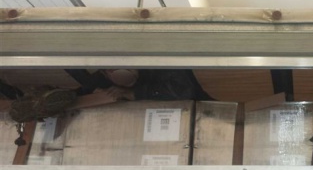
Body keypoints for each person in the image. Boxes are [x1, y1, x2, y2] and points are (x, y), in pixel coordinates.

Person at [66, 69, 215, 101]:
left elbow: (182, 91)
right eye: (106, 70)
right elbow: (86, 90)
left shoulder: (161, 61)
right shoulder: (103, 77)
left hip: (203, 114)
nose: (111, 72)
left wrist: (133, 93)